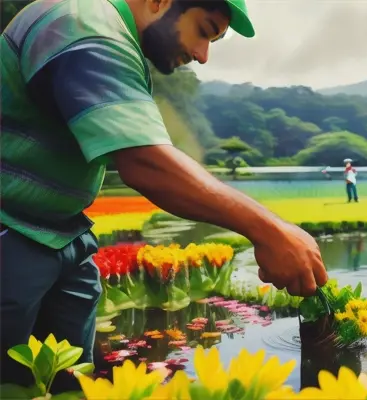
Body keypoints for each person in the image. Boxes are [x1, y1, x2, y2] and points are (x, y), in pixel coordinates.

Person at [0, 0, 328, 392]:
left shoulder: (116, 40)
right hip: (12, 231)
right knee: (13, 384)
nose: (202, 56)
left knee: (71, 384)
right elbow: (144, 161)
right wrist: (270, 230)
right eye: (205, 31)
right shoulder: (83, 26)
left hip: (64, 235)